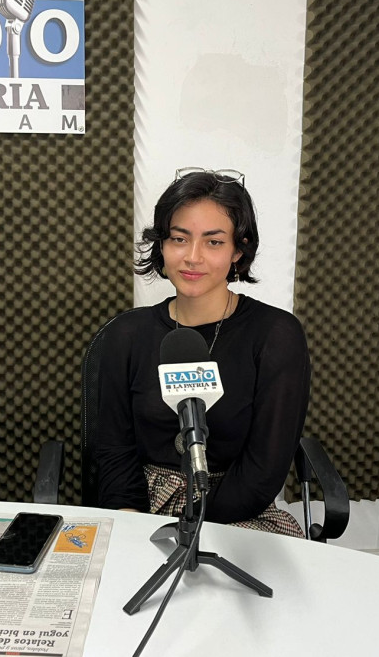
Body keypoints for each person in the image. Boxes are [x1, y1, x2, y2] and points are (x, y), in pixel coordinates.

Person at [94, 168, 309, 535]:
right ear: (162, 246)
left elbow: (264, 469)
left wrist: (194, 528)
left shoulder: (276, 335)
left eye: (213, 242)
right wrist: (134, 529)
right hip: (141, 509)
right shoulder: (126, 334)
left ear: (238, 250)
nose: (192, 257)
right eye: (179, 239)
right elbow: (114, 452)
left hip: (236, 509)